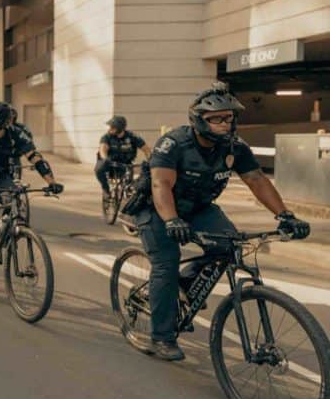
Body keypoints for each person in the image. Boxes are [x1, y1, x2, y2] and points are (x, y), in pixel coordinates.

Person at [130, 82, 309, 361]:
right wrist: (172, 220)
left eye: (229, 118)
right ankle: (161, 337)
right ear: (199, 120)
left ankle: (183, 288)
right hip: (158, 210)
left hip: (200, 208)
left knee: (229, 248)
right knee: (166, 263)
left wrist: (285, 215)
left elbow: (257, 180)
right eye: (216, 119)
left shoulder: (235, 148)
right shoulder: (173, 144)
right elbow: (161, 184)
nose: (225, 124)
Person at [0, 101, 63, 283]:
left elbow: (35, 157)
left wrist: (52, 182)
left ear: (1, 123)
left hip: (3, 176)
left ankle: (7, 227)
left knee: (17, 199)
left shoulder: (16, 134)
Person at [95, 115, 151, 202]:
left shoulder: (132, 136)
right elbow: (103, 148)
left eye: (112, 127)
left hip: (126, 163)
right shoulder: (107, 137)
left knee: (133, 182)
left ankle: (127, 192)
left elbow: (146, 149)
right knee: (99, 169)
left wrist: (151, 160)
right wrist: (105, 159)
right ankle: (106, 190)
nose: (109, 129)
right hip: (110, 162)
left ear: (119, 128)